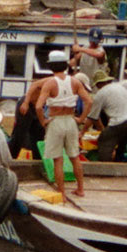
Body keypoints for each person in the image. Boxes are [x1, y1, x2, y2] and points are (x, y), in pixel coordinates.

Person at [38, 49, 93, 201]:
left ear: (51, 66)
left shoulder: (49, 83)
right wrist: (81, 118)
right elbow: (89, 101)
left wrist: (43, 120)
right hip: (70, 120)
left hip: (55, 120)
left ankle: (61, 192)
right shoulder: (75, 81)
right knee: (75, 156)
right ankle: (80, 189)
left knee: (58, 159)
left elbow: (38, 106)